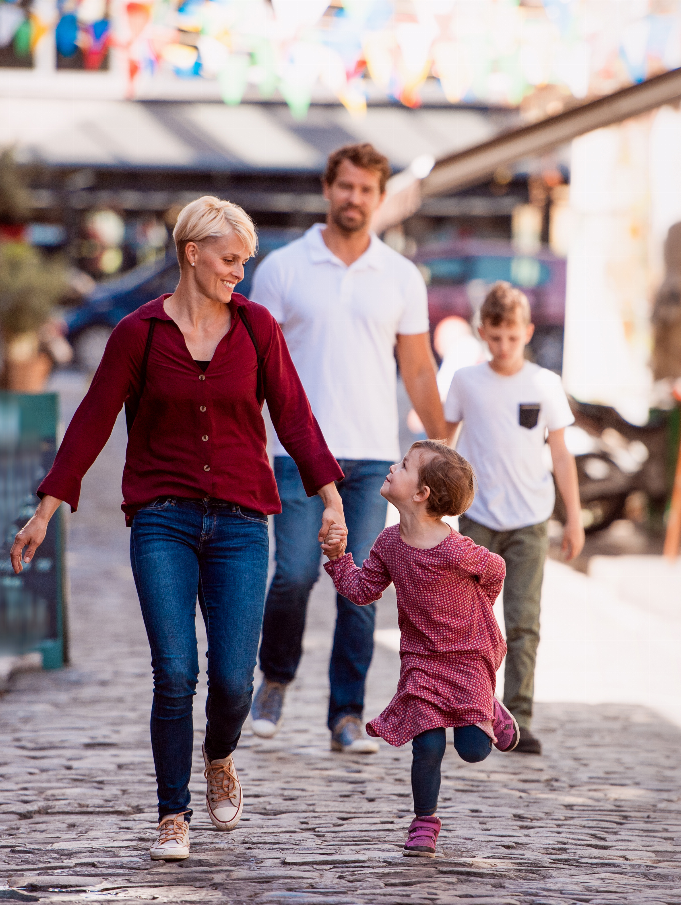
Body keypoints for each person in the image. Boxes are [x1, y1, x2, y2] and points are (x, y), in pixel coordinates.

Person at [9, 197, 346, 862]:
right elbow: (92, 422)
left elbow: (296, 417)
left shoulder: (257, 329)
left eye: (244, 262)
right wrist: (47, 508)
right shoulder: (138, 333)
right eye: (229, 259)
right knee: (175, 671)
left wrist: (330, 499)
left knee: (233, 681)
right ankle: (172, 813)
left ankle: (220, 753)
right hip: (161, 519)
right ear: (191, 253)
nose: (238, 273)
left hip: (244, 523)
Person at [250, 143, 446, 754]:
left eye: (366, 190)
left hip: (371, 462)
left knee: (360, 587)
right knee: (295, 575)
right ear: (327, 189)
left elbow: (417, 368)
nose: (354, 198)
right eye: (346, 187)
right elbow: (253, 366)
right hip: (297, 456)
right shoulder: (282, 268)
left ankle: (346, 715)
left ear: (380, 198)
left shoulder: (401, 276)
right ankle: (275, 680)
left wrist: (440, 453)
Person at [321, 441, 518, 858]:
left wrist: (478, 612)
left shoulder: (457, 550)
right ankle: (424, 822)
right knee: (426, 745)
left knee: (473, 749)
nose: (392, 467)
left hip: (467, 655)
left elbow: (495, 570)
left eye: (404, 465)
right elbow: (363, 590)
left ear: (421, 493)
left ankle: (488, 707)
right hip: (421, 661)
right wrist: (338, 558)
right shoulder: (389, 544)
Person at [444, 281, 584, 755]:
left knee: (524, 621)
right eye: (495, 336)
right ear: (483, 332)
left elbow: (561, 456)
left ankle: (518, 717)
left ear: (527, 332)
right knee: (471, 622)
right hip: (478, 517)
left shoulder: (545, 384)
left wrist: (576, 518)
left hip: (530, 518)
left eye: (512, 336)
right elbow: (445, 445)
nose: (504, 346)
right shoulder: (466, 381)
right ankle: (475, 711)